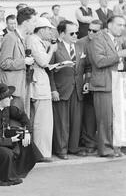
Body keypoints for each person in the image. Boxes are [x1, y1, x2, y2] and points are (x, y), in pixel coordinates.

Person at [0, 83, 41, 186]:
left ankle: (17, 171)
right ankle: (4, 177)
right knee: (6, 154)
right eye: (8, 97)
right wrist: (10, 140)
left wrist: (27, 132)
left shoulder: (7, 108)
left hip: (6, 139)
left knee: (26, 141)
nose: (11, 98)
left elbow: (23, 116)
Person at [88, 15, 126, 157]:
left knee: (116, 119)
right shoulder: (98, 38)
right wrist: (119, 55)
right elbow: (99, 61)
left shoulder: (117, 40)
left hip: (117, 82)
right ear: (109, 25)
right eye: (119, 25)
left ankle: (115, 148)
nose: (122, 28)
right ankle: (106, 149)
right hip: (103, 84)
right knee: (105, 119)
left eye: (123, 25)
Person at [49, 20, 86, 159]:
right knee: (62, 123)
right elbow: (50, 70)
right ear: (62, 34)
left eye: (77, 32)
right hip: (61, 90)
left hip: (77, 89)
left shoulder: (79, 47)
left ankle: (73, 148)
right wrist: (53, 89)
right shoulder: (55, 48)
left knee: (76, 121)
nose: (75, 35)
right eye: (72, 33)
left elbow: (84, 67)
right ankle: (61, 150)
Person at [26, 17, 57, 162]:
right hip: (38, 84)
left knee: (41, 120)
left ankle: (41, 152)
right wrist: (51, 49)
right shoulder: (34, 40)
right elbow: (44, 61)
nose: (50, 32)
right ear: (43, 29)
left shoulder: (35, 40)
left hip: (39, 82)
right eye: (49, 29)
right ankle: (41, 153)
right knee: (42, 121)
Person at [0, 6, 36, 113]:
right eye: (33, 22)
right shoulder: (10, 37)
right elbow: (4, 63)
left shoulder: (22, 38)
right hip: (11, 90)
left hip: (21, 86)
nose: (35, 25)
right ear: (26, 22)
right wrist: (24, 62)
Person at [76, 20, 103, 154]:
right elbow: (82, 65)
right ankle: (89, 143)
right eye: (89, 30)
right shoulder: (81, 42)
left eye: (95, 31)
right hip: (85, 83)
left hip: (102, 82)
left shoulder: (105, 41)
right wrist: (86, 81)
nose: (91, 33)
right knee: (88, 115)